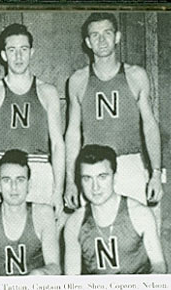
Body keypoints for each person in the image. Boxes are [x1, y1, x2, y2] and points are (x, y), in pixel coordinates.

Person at [64, 13, 163, 218]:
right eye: (95, 35)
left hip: (129, 164)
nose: (102, 40)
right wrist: (70, 181)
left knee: (137, 231)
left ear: (117, 37)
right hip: (92, 168)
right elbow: (72, 134)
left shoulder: (136, 76)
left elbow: (150, 126)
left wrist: (155, 173)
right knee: (96, 235)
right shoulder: (78, 80)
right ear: (88, 42)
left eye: (107, 33)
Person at [0, 23, 65, 219]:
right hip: (1, 172)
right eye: (12, 50)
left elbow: (58, 145)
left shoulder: (47, 92)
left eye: (23, 50)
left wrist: (58, 191)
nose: (18, 56)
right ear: (3, 54)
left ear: (31, 52)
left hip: (39, 170)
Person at [64, 145, 165, 275]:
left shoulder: (140, 214)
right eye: (87, 178)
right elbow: (71, 279)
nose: (95, 187)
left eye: (102, 177)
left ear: (114, 177)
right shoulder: (74, 223)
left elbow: (159, 266)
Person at [0, 150, 60, 276]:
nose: (13, 187)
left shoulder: (43, 213)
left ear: (29, 185)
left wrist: (40, 273)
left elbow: (55, 267)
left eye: (20, 180)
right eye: (7, 180)